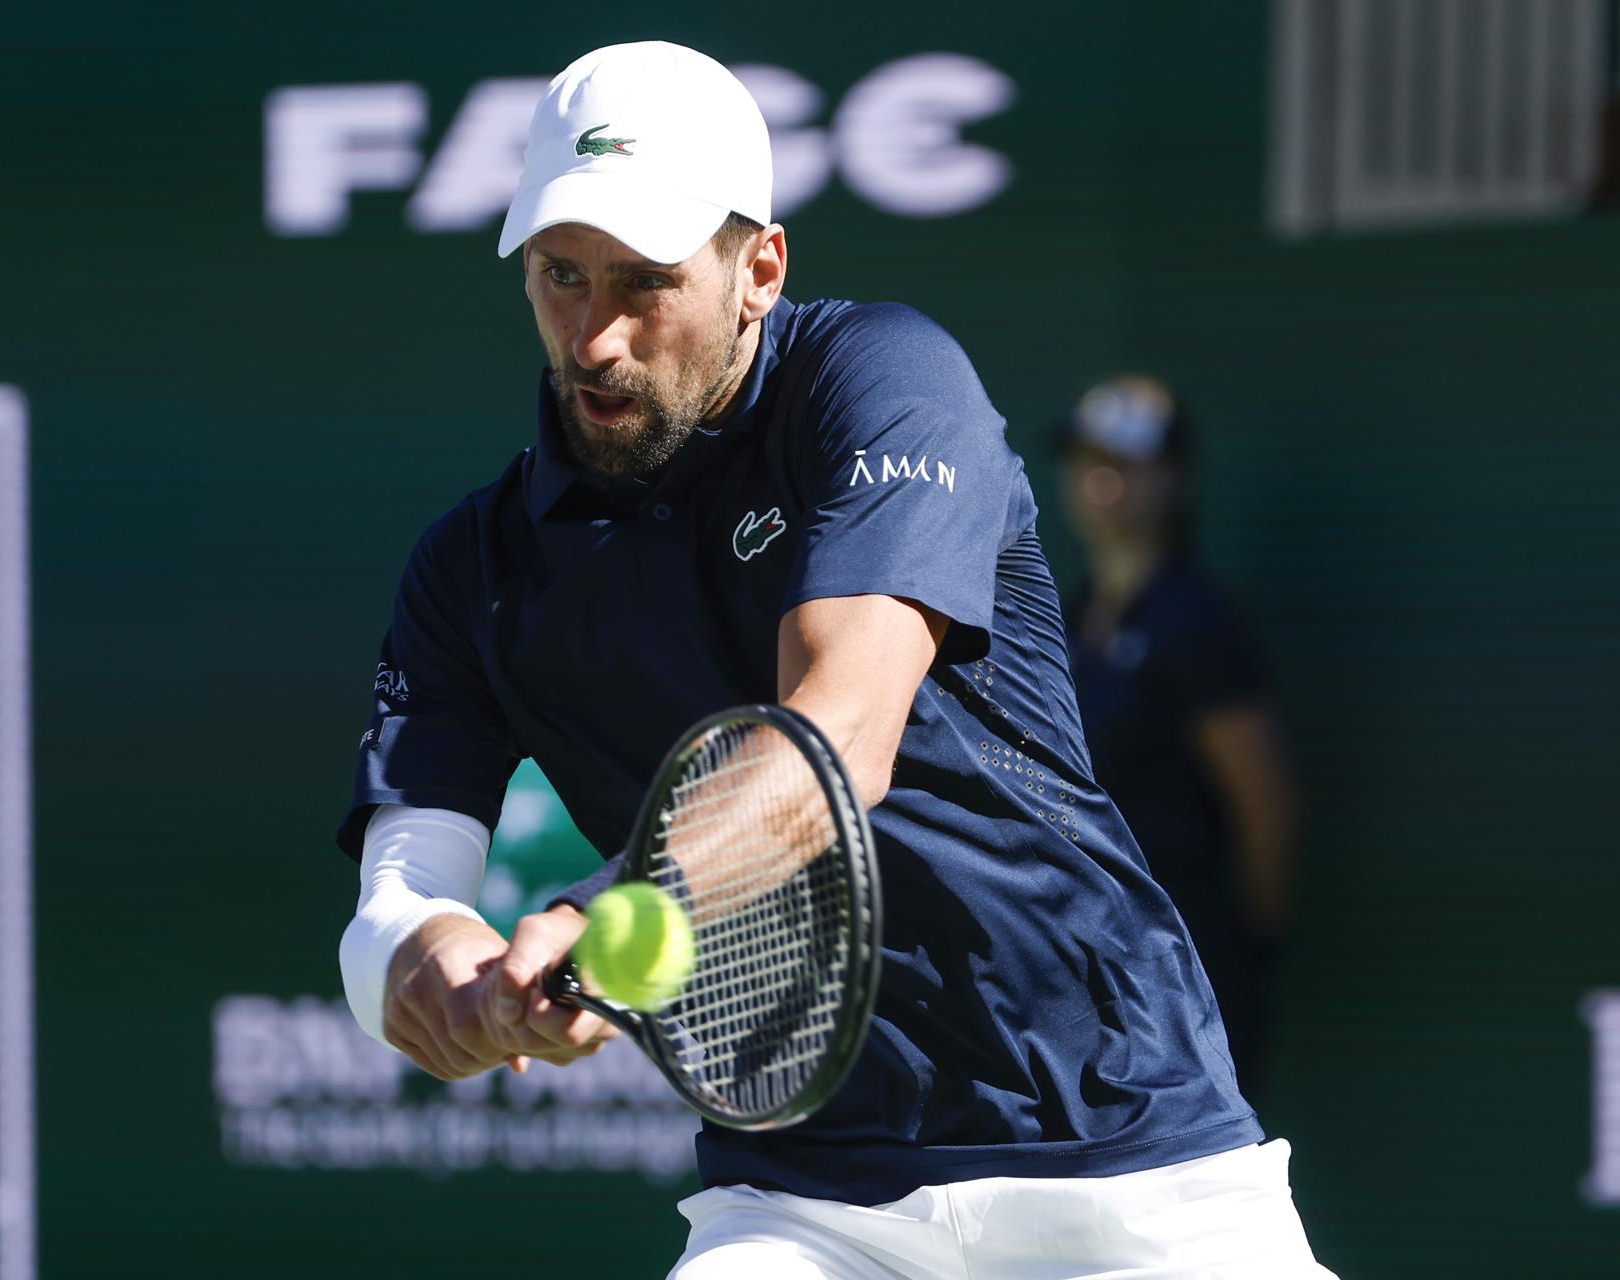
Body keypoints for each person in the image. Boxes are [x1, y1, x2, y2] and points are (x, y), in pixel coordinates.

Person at [334, 41, 1333, 1279]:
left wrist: (604, 912)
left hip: (1128, 1161)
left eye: (644, 281)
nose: (594, 337)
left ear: (759, 270)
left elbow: (834, 741)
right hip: (805, 1201)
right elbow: (398, 897)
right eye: (560, 275)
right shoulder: (467, 568)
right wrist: (437, 972)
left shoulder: (883, 379)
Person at [1054, 377, 1300, 1102]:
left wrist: (1243, 955)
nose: (1103, 481)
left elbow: (1268, 809)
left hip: (1187, 980)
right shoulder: (1066, 619)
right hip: (1081, 979)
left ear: (1175, 478)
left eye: (1126, 462)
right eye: (1087, 459)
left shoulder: (1198, 622)